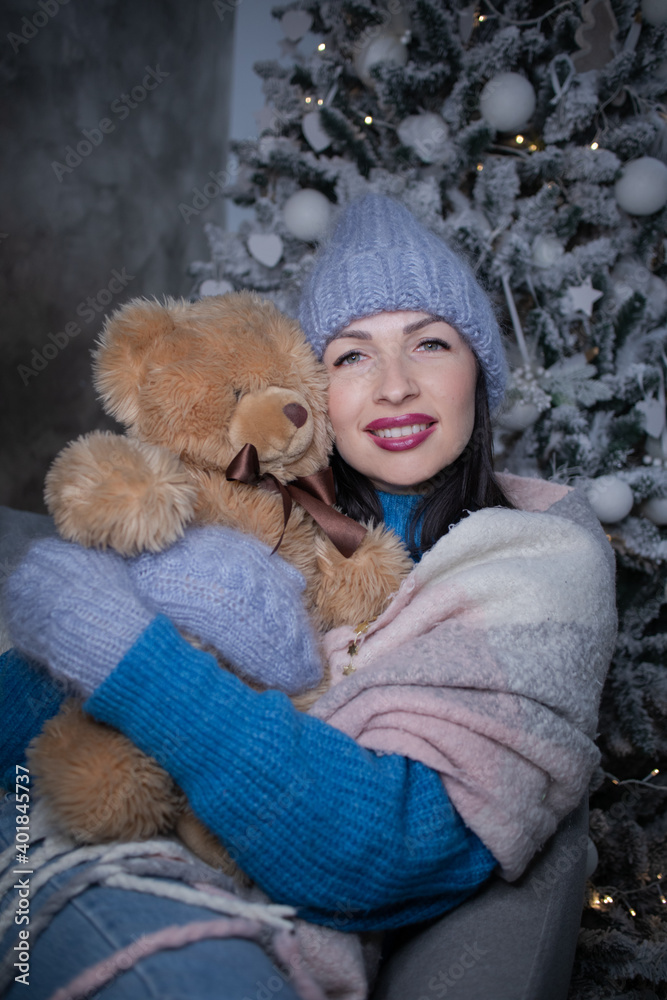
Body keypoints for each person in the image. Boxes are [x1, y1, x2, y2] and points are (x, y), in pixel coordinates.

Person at [0, 195, 617, 1000]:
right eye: (352, 355)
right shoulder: (253, 510)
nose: (394, 386)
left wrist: (128, 657)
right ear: (312, 386)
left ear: (480, 372)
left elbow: (386, 849)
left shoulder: (536, 564)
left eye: (429, 343)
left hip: (221, 911)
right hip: (55, 839)